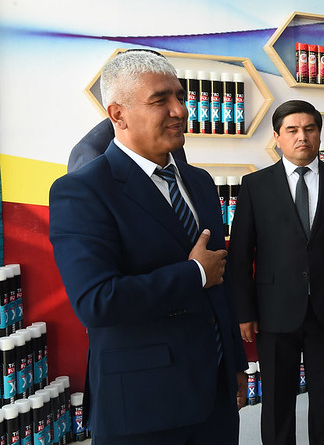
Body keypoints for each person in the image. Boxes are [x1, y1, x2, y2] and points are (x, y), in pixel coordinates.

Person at [49, 50, 247, 444]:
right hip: (143, 406)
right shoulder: (83, 190)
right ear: (118, 114)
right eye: (160, 100)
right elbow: (97, 301)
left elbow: (219, 281)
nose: (180, 110)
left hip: (215, 394)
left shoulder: (200, 182)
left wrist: (235, 364)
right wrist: (194, 274)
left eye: (180, 96)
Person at [227, 100, 324, 445]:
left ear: (319, 134)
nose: (301, 136)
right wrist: (244, 312)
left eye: (309, 129)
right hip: (273, 311)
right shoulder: (255, 185)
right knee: (277, 400)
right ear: (277, 137)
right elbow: (240, 255)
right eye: (292, 130)